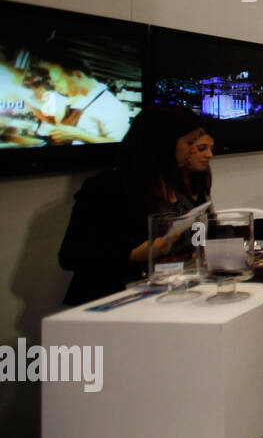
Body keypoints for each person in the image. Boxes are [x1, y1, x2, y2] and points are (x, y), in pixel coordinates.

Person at [57, 107, 207, 305]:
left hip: (176, 295)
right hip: (120, 303)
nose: (193, 150)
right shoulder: (109, 187)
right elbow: (72, 255)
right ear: (164, 144)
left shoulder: (180, 185)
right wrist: (135, 254)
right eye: (189, 143)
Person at [182, 131, 263, 237]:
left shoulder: (200, 183)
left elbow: (210, 233)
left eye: (211, 148)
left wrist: (260, 229)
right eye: (201, 148)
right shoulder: (170, 195)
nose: (209, 155)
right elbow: (190, 240)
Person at [38, 48, 131, 144]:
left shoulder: (111, 105)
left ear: (77, 75)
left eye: (58, 81)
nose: (56, 87)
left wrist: (78, 135)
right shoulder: (76, 98)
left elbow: (119, 142)